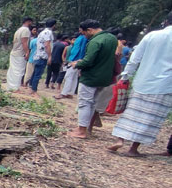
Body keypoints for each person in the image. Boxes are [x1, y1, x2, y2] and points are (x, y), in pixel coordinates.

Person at [107, 11, 172, 156]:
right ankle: (133, 148)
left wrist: (125, 75)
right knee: (149, 118)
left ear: (166, 22)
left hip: (143, 80)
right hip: (165, 85)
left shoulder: (152, 35)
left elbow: (135, 57)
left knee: (132, 112)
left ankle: (120, 139)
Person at [67, 19, 117, 139]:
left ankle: (82, 131)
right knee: (93, 103)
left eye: (84, 33)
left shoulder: (95, 41)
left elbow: (88, 61)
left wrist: (77, 64)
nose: (84, 36)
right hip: (104, 77)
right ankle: (86, 128)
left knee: (85, 103)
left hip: (91, 77)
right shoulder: (112, 38)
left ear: (89, 30)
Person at [29, 18, 56, 96]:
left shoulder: (42, 32)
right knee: (38, 73)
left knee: (35, 72)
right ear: (53, 25)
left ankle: (31, 87)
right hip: (42, 56)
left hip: (37, 55)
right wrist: (50, 56)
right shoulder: (48, 33)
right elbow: (47, 44)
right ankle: (34, 90)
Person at [56, 30, 87, 99]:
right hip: (77, 59)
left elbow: (79, 50)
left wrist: (74, 60)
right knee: (74, 77)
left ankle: (64, 93)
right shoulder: (83, 38)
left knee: (68, 76)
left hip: (74, 60)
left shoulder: (81, 39)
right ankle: (70, 93)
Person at [6, 17, 33, 91]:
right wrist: (27, 52)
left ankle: (10, 86)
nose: (31, 24)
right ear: (28, 21)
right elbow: (24, 42)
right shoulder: (26, 30)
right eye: (31, 22)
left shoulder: (19, 30)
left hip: (14, 52)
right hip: (20, 53)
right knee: (19, 71)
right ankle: (15, 88)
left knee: (12, 70)